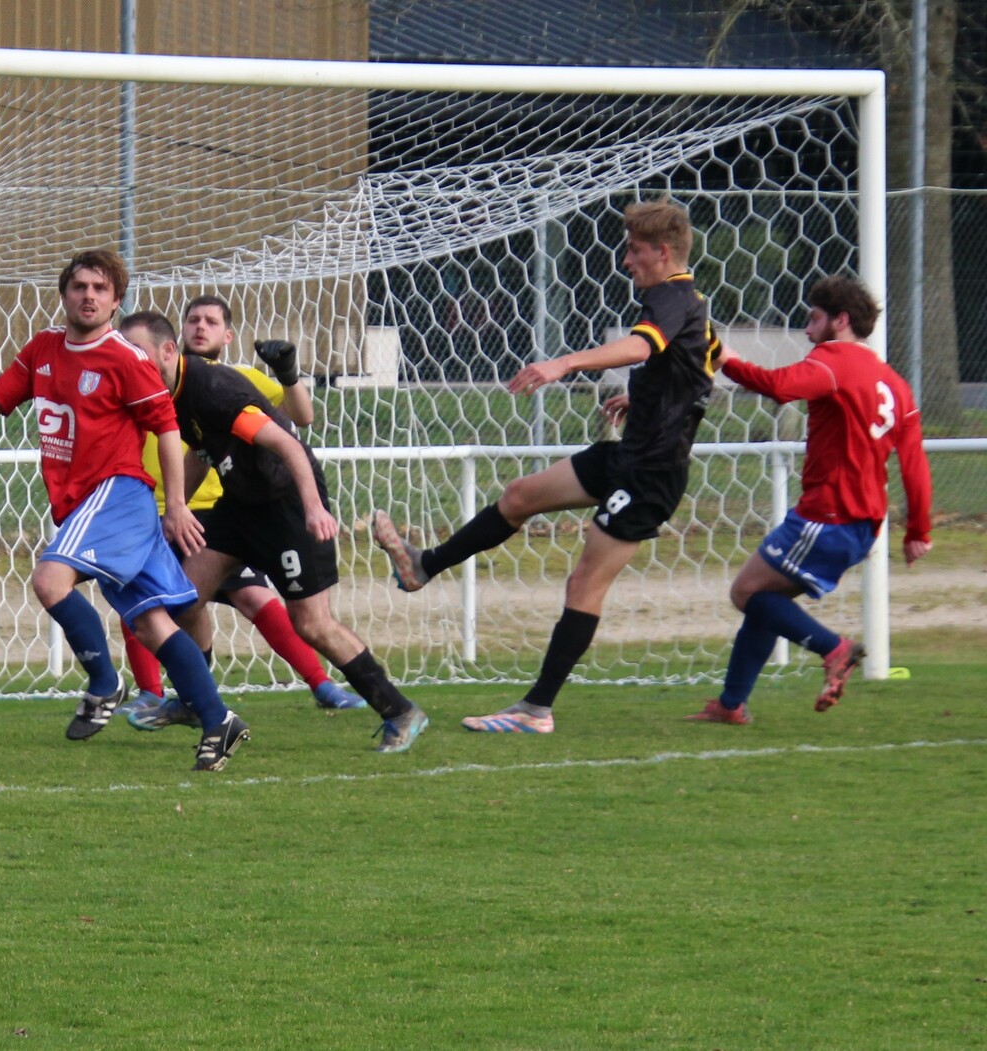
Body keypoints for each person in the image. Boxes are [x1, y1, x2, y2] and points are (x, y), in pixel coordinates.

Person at [371, 198, 718, 734]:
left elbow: (643, 347)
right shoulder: (680, 303)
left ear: (663, 252)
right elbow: (702, 366)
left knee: (583, 584)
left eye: (634, 250)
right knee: (519, 497)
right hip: (627, 456)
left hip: (651, 474)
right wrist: (644, 401)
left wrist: (565, 362)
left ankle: (536, 710)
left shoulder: (673, 295)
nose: (626, 261)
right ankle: (424, 566)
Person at [0, 249, 249, 771]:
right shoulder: (44, 348)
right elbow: (2, 393)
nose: (89, 296)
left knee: (49, 581)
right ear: (64, 294)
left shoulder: (125, 357)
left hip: (118, 494)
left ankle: (105, 683)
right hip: (90, 504)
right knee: (151, 625)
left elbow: (168, 430)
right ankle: (219, 721)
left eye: (100, 289)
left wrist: (176, 506)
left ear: (116, 300)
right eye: (80, 286)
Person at [118, 310, 431, 754]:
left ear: (168, 352)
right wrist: (173, 509)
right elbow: (202, 453)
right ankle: (194, 700)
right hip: (241, 507)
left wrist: (313, 509)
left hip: (285, 508)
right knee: (184, 599)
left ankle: (399, 710)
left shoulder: (213, 388)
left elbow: (288, 443)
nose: (128, 363)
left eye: (136, 354)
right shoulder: (173, 391)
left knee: (312, 624)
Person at [686, 275, 932, 724]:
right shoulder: (895, 384)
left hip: (828, 514)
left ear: (840, 321)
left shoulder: (833, 362)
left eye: (814, 318)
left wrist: (723, 357)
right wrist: (918, 531)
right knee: (767, 600)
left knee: (745, 592)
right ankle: (731, 704)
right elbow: (914, 462)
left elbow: (778, 385)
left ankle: (833, 649)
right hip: (862, 526)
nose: (807, 329)